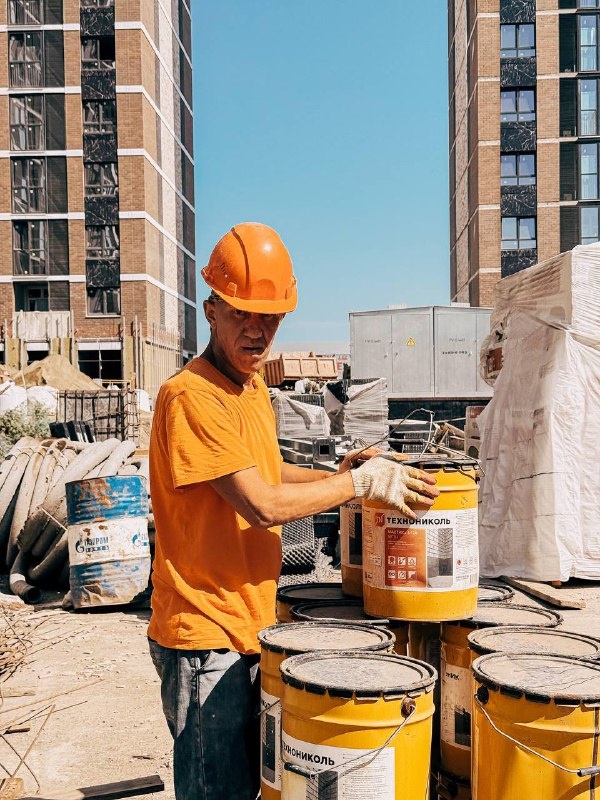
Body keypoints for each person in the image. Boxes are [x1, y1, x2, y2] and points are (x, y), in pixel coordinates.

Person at [147, 222, 439, 800]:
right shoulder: (192, 397)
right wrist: (357, 485)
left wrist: (337, 476)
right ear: (211, 309)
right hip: (205, 636)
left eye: (270, 317)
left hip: (251, 627)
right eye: (242, 314)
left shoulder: (249, 388)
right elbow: (262, 505)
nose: (257, 331)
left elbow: (268, 472)